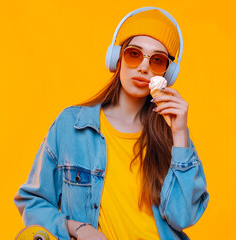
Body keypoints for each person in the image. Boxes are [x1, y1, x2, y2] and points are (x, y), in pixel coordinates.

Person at [14, 7, 209, 240]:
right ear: (116, 58)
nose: (144, 67)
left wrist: (179, 134)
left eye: (157, 60)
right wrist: (78, 228)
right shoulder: (71, 127)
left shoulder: (173, 137)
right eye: (134, 54)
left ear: (168, 73)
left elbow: (183, 217)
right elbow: (33, 201)